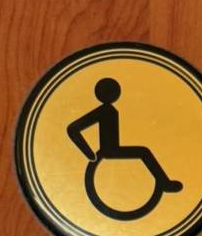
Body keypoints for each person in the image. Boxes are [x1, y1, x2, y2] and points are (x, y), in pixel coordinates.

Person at [66, 77, 182, 220]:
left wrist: (89, 153)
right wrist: (89, 153)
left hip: (111, 149)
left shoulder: (107, 110)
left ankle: (164, 182)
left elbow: (73, 129)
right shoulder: (103, 111)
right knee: (144, 152)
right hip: (110, 151)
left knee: (143, 152)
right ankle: (164, 182)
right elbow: (73, 129)